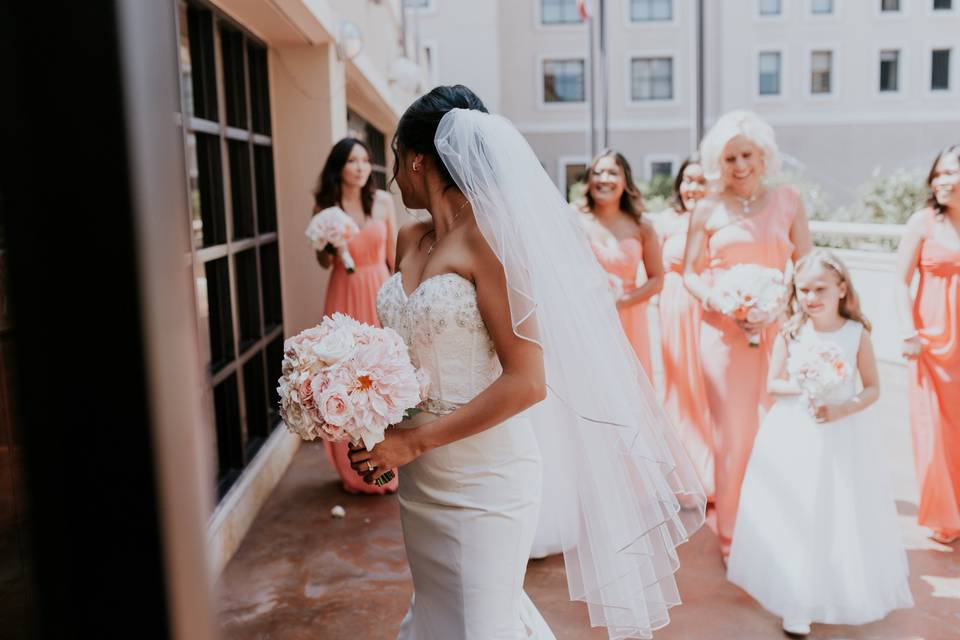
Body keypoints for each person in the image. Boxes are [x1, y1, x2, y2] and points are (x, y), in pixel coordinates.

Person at [347, 85, 704, 639]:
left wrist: (415, 441)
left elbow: (527, 382)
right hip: (420, 477)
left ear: (417, 158)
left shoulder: (492, 239)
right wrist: (363, 409)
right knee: (442, 614)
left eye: (394, 160)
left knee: (481, 624)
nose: (393, 178)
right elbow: (403, 352)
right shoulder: (408, 237)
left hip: (483, 476)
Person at [728, 250, 913, 636]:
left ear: (841, 288)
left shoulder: (856, 334)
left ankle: (838, 590)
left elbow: (873, 388)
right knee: (798, 510)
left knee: (838, 510)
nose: (811, 297)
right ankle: (795, 599)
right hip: (794, 433)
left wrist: (844, 407)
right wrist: (805, 383)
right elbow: (772, 385)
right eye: (803, 290)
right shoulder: (792, 331)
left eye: (820, 289)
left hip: (843, 435)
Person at [682, 110, 812, 558]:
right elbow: (689, 272)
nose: (739, 166)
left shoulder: (790, 201)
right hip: (721, 335)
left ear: (764, 156)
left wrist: (777, 305)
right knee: (732, 434)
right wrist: (720, 301)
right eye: (730, 157)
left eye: (747, 155)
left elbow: (808, 268)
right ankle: (733, 534)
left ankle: (780, 524)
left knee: (777, 428)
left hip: (779, 336)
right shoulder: (706, 209)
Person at [313, 137, 399, 494]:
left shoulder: (383, 202)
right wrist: (327, 244)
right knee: (343, 380)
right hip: (343, 294)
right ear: (340, 168)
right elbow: (322, 262)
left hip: (379, 291)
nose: (362, 167)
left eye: (365, 160)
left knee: (381, 378)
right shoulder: (326, 208)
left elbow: (395, 258)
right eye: (353, 161)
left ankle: (387, 463)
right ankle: (354, 468)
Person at [895, 144, 960, 545]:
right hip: (931, 345)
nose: (942, 181)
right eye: (937, 174)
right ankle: (944, 515)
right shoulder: (922, 222)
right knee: (933, 432)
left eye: (950, 173)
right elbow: (900, 281)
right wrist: (908, 332)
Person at [655, 156, 713, 498]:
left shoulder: (720, 218)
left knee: (708, 383)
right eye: (688, 180)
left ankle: (713, 469)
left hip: (708, 305)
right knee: (680, 384)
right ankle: (684, 470)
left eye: (701, 181)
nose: (692, 188)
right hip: (675, 304)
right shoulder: (666, 221)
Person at [579, 150, 663, 377]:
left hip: (630, 317)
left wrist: (620, 303)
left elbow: (657, 279)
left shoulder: (641, 226)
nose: (604, 179)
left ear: (625, 181)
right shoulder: (574, 221)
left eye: (612, 173)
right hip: (587, 314)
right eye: (597, 172)